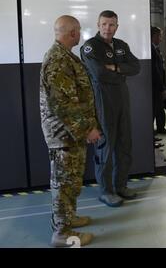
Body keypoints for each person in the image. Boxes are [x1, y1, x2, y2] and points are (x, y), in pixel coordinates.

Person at [40, 15, 101, 247]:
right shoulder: (57, 60)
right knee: (64, 184)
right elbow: (63, 104)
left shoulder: (64, 56)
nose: (80, 34)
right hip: (63, 134)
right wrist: (87, 129)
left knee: (71, 181)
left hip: (70, 133)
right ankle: (62, 234)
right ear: (72, 32)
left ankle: (68, 218)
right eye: (78, 31)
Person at [81, 10, 140, 207]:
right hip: (103, 101)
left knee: (124, 144)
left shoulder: (121, 45)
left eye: (112, 24)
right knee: (105, 148)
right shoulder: (90, 47)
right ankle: (106, 191)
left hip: (122, 99)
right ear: (98, 25)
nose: (108, 28)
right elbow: (98, 73)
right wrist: (121, 72)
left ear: (117, 26)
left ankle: (121, 186)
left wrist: (114, 67)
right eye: (104, 24)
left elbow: (136, 67)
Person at [151, 26, 166, 135]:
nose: (161, 39)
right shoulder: (152, 50)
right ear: (154, 36)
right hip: (155, 86)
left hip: (156, 85)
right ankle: (157, 130)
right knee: (156, 109)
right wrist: (162, 88)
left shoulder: (154, 48)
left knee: (158, 108)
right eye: (159, 36)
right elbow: (155, 70)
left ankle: (157, 130)